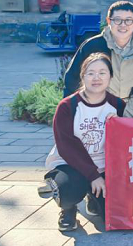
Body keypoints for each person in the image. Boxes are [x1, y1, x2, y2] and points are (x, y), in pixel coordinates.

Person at [44, 53, 125, 231]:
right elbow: (67, 147)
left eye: (102, 73)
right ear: (83, 76)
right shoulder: (68, 106)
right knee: (68, 188)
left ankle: (93, 198)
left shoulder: (118, 106)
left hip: (104, 166)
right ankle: (68, 209)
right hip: (70, 164)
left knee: (116, 216)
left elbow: (128, 139)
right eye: (91, 73)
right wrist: (93, 176)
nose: (97, 78)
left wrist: (119, 124)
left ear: (110, 76)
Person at [63, 1, 133, 98]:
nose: (123, 25)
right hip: (103, 104)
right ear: (108, 21)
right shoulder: (92, 46)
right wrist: (71, 106)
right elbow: (72, 80)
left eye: (128, 20)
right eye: (117, 20)